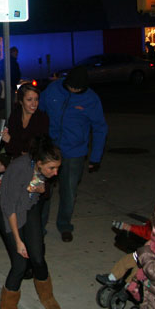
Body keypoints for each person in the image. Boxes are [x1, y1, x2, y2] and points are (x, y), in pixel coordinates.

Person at [0, 136, 63, 309]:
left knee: (38, 256)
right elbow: (10, 208)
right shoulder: (19, 169)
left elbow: (37, 190)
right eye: (52, 168)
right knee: (20, 263)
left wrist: (41, 187)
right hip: (10, 212)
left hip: (29, 207)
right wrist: (18, 240)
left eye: (57, 168)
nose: (55, 172)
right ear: (40, 163)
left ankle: (47, 296)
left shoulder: (40, 166)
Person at [39, 65, 108, 242]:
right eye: (72, 87)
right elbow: (39, 112)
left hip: (74, 151)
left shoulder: (91, 99)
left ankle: (64, 225)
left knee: (68, 191)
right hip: (50, 149)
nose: (74, 90)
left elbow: (100, 128)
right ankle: (39, 226)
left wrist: (95, 157)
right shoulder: (53, 89)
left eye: (78, 88)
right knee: (43, 189)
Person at [2, 83, 49, 159]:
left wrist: (11, 141)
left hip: (34, 163)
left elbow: (36, 148)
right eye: (29, 100)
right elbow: (8, 148)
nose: (34, 104)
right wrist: (19, 147)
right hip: (16, 162)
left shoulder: (42, 118)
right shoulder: (15, 115)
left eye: (36, 99)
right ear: (21, 101)